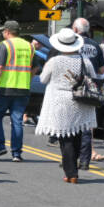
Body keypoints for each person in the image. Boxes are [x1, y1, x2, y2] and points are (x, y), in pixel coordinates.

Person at [35, 28, 97, 183]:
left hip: (60, 102)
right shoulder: (85, 60)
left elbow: (43, 79)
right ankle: (73, 170)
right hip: (80, 101)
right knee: (76, 135)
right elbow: (93, 77)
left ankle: (71, 173)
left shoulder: (54, 61)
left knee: (65, 138)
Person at [0, 20, 32, 162]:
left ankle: (0, 146)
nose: (2, 33)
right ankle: (16, 153)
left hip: (5, 88)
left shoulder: (5, 45)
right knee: (17, 120)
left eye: (3, 31)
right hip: (23, 88)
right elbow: (35, 68)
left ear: (7, 32)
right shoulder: (29, 46)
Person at [71, 17, 104, 168]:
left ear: (75, 30)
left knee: (72, 121)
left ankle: (73, 155)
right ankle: (88, 154)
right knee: (87, 122)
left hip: (74, 86)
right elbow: (101, 69)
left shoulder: (72, 44)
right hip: (91, 87)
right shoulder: (94, 45)